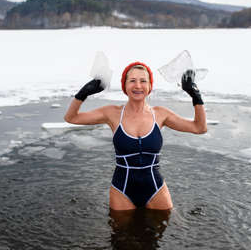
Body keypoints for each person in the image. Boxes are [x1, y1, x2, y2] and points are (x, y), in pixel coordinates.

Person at [64, 62, 207, 210]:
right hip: (122, 190)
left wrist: (195, 95)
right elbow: (71, 118)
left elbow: (199, 128)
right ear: (125, 85)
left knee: (162, 231)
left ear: (149, 86)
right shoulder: (112, 113)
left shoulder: (160, 114)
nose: (138, 86)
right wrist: (83, 93)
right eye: (132, 80)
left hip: (156, 189)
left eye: (143, 81)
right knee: (120, 232)